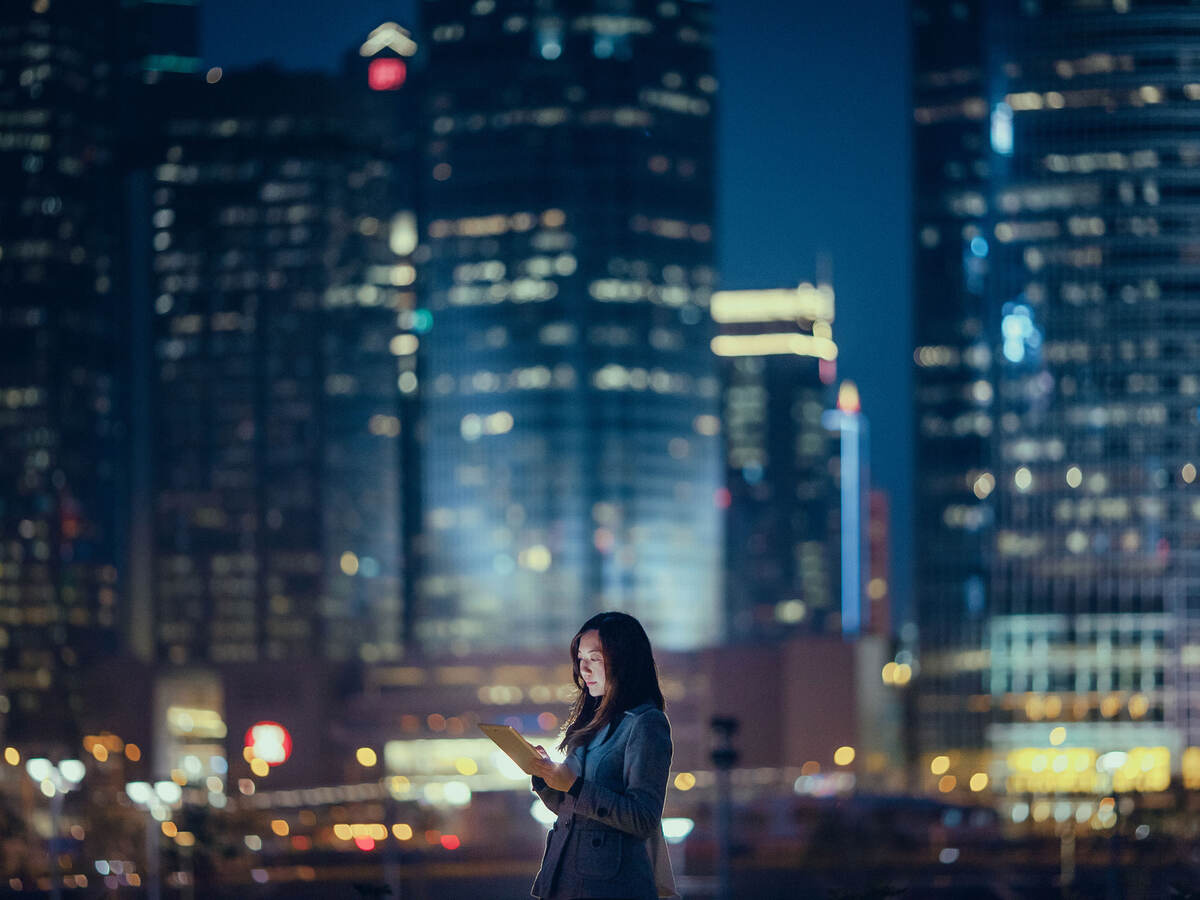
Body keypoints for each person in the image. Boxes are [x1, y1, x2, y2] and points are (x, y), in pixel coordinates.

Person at [526, 611, 677, 900]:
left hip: (611, 886)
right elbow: (573, 811)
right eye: (581, 659)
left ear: (625, 661)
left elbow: (644, 818)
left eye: (594, 659)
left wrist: (574, 785)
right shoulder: (588, 722)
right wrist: (545, 778)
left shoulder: (645, 723)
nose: (584, 670)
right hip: (563, 880)